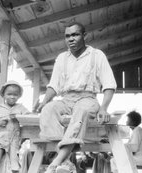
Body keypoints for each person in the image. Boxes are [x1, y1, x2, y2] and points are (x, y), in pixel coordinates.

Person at [34, 22, 117, 173]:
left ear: (85, 36)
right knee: (48, 110)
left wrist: (104, 108)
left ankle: (55, 163)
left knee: (81, 111)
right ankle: (66, 162)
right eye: (67, 36)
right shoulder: (61, 58)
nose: (70, 39)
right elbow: (54, 85)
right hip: (66, 99)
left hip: (88, 99)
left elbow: (109, 84)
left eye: (75, 35)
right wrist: (44, 101)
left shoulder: (97, 55)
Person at [0, 80, 30, 173]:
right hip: (0, 138)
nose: (12, 96)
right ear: (3, 95)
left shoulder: (21, 108)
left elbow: (28, 117)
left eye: (15, 95)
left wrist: (19, 118)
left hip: (14, 139)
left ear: (19, 96)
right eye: (9, 94)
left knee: (15, 163)